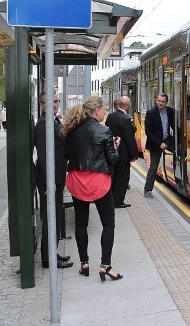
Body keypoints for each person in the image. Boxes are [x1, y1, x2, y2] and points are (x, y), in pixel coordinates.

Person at [63, 96, 123, 281]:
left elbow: (67, 155)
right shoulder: (104, 131)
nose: (105, 112)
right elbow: (113, 159)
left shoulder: (72, 131)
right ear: (97, 111)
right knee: (108, 223)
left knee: (81, 223)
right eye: (104, 109)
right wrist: (115, 146)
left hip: (77, 181)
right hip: (98, 182)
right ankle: (105, 266)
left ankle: (84, 263)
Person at [33, 92, 73, 269]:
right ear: (42, 104)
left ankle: (52, 253)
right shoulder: (43, 124)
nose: (55, 104)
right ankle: (48, 259)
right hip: (50, 180)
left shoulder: (53, 120)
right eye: (50, 102)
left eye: (56, 101)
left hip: (56, 177)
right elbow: (44, 154)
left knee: (54, 216)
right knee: (51, 218)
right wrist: (51, 181)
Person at [105, 95, 139, 208]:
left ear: (118, 105)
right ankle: (118, 201)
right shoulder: (126, 119)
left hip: (112, 152)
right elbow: (130, 139)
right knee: (123, 178)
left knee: (114, 177)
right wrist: (134, 155)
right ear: (128, 105)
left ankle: (112, 199)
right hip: (124, 155)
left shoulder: (110, 116)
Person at [143, 93, 174, 198]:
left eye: (163, 101)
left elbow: (174, 126)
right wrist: (159, 144)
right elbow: (148, 132)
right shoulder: (151, 113)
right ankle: (147, 190)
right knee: (154, 166)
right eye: (159, 101)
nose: (161, 103)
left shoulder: (170, 111)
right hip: (155, 143)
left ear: (166, 102)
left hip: (167, 140)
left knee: (180, 154)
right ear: (156, 100)